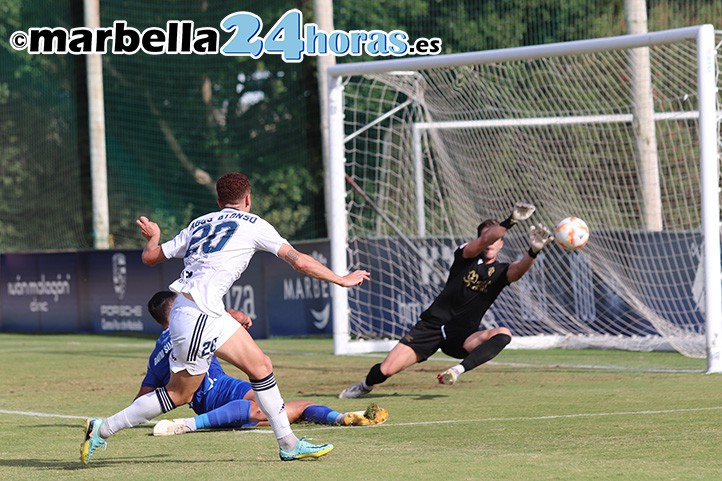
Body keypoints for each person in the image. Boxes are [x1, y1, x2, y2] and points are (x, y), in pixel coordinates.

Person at [81, 172, 370, 464]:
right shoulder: (255, 224)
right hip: (198, 315)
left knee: (261, 367)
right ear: (248, 199)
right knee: (178, 395)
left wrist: (154, 237)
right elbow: (299, 261)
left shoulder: (199, 223)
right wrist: (341, 279)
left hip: (204, 311)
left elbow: (151, 257)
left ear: (219, 201)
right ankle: (103, 429)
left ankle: (288, 444)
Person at [339, 202, 553, 399]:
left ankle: (457, 370)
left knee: (503, 334)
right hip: (432, 327)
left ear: (501, 244)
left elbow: (518, 270)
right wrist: (511, 221)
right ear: (480, 240)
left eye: (495, 239)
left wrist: (533, 251)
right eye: (486, 237)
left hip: (462, 336)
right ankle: (364, 386)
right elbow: (483, 240)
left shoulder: (502, 270)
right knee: (386, 370)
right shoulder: (465, 255)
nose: (490, 242)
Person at [139, 291, 387, 436]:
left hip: (222, 391)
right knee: (264, 409)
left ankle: (342, 418)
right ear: (176, 311)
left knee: (293, 407)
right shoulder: (192, 327)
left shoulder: (155, 356)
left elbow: (142, 401)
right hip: (216, 395)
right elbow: (234, 316)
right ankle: (188, 425)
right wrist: (242, 318)